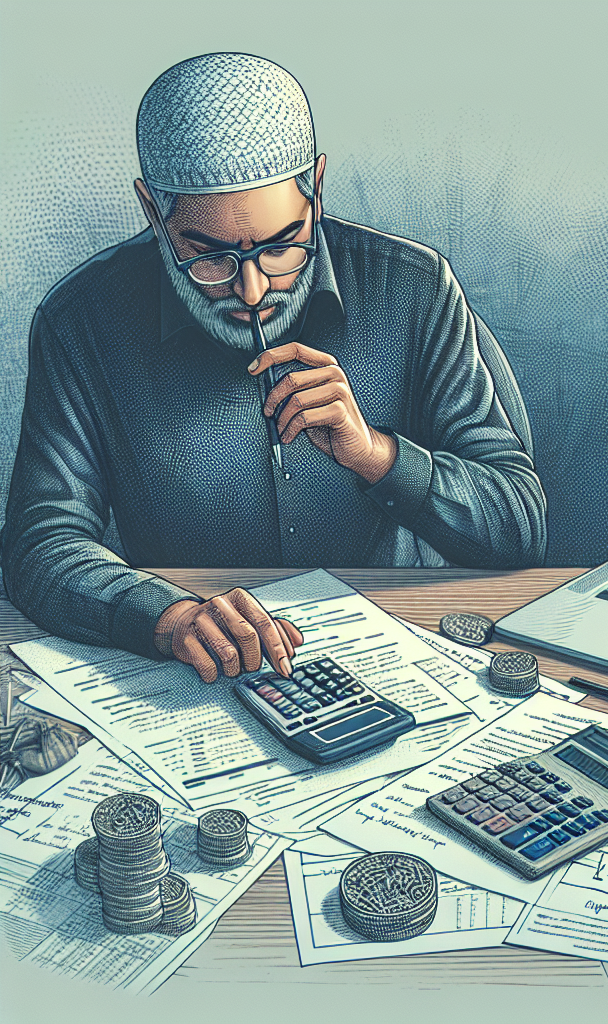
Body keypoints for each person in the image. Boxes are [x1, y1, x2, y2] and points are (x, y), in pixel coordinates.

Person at [1, 53, 546, 685]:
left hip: (395, 656)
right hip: (199, 671)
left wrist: (375, 454)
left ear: (316, 184)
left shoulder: (413, 287)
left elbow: (520, 528)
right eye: (208, 259)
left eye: (284, 245)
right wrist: (166, 616)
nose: (255, 290)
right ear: (153, 212)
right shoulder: (82, 321)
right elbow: (40, 545)